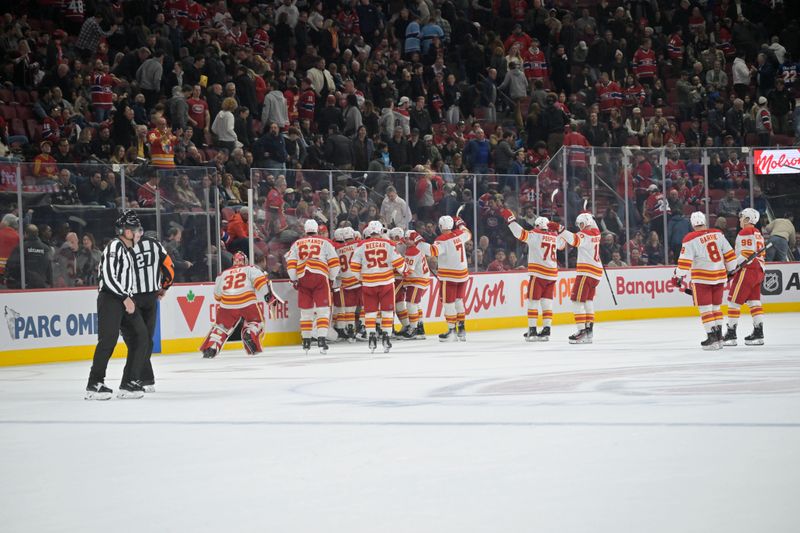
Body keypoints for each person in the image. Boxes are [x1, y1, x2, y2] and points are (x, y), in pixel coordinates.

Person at [85, 212, 149, 400]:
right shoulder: (115, 246)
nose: (139, 233)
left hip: (124, 299)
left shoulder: (128, 250)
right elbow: (108, 276)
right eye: (136, 229)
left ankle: (129, 382)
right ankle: (94, 384)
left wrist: (129, 297)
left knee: (141, 336)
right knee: (108, 341)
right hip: (111, 299)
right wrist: (124, 297)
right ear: (126, 231)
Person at [673, 212, 737, 350]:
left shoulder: (690, 238)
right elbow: (730, 255)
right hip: (720, 277)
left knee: (705, 309)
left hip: (702, 279)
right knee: (716, 308)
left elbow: (684, 262)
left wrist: (678, 276)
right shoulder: (718, 234)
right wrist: (731, 270)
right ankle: (719, 338)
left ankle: (711, 337)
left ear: (692, 224)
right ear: (705, 221)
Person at [125, 230, 175, 391]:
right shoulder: (155, 245)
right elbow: (169, 268)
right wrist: (164, 287)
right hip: (151, 298)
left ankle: (140, 378)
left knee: (138, 340)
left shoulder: (126, 246)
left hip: (132, 298)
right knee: (146, 339)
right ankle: (145, 378)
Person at [200, 252, 271, 359]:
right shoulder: (250, 269)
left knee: (221, 327)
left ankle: (212, 346)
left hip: (227, 304)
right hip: (247, 302)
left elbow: (217, 296)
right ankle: (250, 332)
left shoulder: (223, 274)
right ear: (244, 261)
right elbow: (261, 284)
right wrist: (267, 296)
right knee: (256, 322)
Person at [502, 210, 559, 341]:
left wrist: (511, 221)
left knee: (533, 301)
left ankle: (532, 330)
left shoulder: (535, 235)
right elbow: (562, 245)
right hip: (552, 274)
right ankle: (546, 330)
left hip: (538, 274)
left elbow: (520, 233)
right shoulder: (555, 237)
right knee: (547, 302)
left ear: (538, 226)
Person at [350, 220, 406, 353]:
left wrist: (361, 278)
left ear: (369, 231)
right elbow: (399, 263)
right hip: (386, 283)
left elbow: (353, 266)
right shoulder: (388, 244)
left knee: (370, 313)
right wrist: (405, 270)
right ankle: (386, 337)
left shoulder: (361, 245)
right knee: (387, 312)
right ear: (381, 231)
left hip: (369, 284)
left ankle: (371, 337)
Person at [413, 215, 471, 341]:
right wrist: (460, 223)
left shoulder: (441, 239)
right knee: (459, 301)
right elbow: (468, 233)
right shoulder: (460, 234)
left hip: (449, 276)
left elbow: (432, 251)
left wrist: (417, 241)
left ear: (440, 226)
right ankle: (461, 328)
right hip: (463, 274)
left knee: (448, 303)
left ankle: (451, 331)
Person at [287, 219, 341, 354]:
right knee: (323, 311)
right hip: (320, 275)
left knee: (306, 312)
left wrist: (294, 279)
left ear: (305, 230)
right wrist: (332, 278)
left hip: (303, 276)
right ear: (317, 229)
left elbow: (291, 263)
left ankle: (306, 340)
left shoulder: (297, 243)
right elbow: (334, 263)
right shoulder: (325, 242)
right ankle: (321, 338)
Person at [723, 209, 766, 347]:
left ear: (748, 219)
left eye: (741, 217)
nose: (739, 220)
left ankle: (731, 334)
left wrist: (732, 269)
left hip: (747, 270)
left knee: (733, 302)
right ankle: (759, 333)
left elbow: (746, 254)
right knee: (754, 302)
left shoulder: (745, 232)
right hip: (759, 270)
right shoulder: (758, 233)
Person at [557, 213, 602, 344]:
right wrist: (588, 215)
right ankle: (589, 331)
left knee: (577, 301)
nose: (580, 227)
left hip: (586, 272)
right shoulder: (597, 233)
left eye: (581, 224)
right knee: (588, 301)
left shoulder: (585, 234)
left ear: (587, 222)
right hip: (595, 272)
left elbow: (574, 240)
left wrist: (560, 229)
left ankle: (581, 331)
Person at [331, 226, 361, 341]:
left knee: (348, 308)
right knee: (364, 306)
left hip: (345, 281)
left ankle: (349, 329)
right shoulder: (358, 244)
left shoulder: (336, 249)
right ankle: (363, 328)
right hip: (358, 279)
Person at [402, 229, 432, 340]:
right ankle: (420, 327)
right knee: (416, 303)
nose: (407, 241)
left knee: (410, 303)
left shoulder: (412, 251)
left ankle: (413, 328)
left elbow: (408, 270)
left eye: (409, 239)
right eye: (406, 238)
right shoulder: (418, 247)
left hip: (416, 280)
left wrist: (396, 268)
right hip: (421, 278)